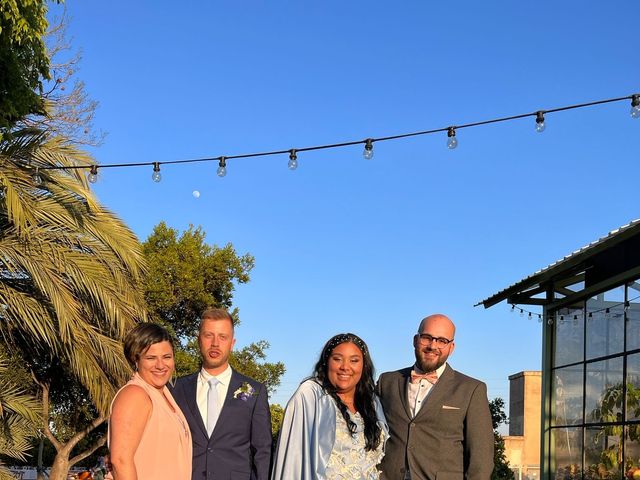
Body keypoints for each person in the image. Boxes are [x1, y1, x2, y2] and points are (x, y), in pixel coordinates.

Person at [376, 313, 494, 480]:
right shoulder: (387, 381)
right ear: (415, 340)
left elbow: (480, 458)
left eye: (442, 341)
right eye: (427, 337)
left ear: (451, 347)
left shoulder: (472, 389)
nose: (432, 345)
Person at [171, 308, 272, 480]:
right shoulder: (175, 389)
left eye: (222, 337)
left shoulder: (254, 391)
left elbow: (262, 451)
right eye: (208, 335)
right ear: (198, 340)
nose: (215, 343)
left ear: (232, 343)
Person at [271, 333, 388, 480]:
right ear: (327, 362)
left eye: (354, 360)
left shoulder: (372, 403)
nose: (345, 367)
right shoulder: (311, 395)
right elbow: (293, 459)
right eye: (337, 359)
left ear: (364, 366)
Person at [109, 323, 192, 480]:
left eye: (167, 357)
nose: (160, 365)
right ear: (136, 360)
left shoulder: (164, 394)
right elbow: (120, 461)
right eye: (151, 358)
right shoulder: (135, 395)